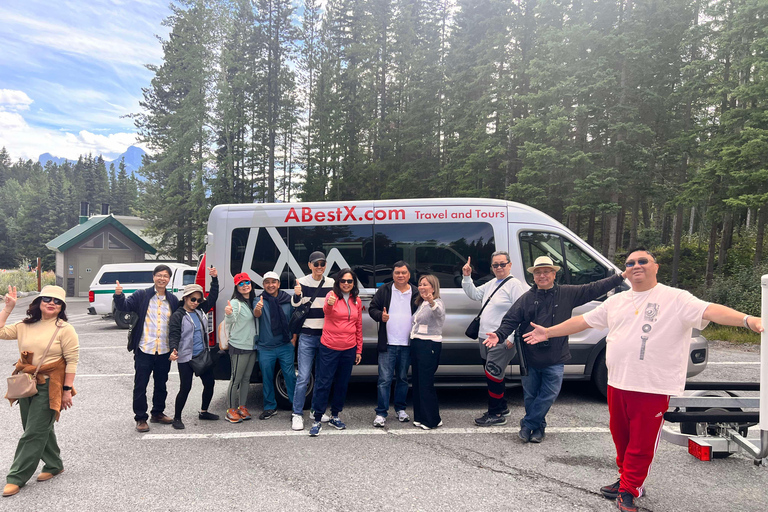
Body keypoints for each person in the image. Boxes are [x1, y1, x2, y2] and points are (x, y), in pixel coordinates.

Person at [523, 248, 764, 512]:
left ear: (655, 267)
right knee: (621, 437)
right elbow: (583, 321)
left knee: (641, 443)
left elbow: (710, 311)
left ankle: (630, 488)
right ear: (625, 270)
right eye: (630, 262)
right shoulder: (617, 301)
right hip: (617, 382)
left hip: (652, 385)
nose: (636, 265)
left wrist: (747, 320)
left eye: (642, 261)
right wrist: (548, 332)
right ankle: (626, 478)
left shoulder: (675, 298)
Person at [484, 255, 627, 441]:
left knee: (549, 394)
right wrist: (500, 335)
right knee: (530, 396)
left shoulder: (568, 293)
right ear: (533, 277)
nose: (542, 276)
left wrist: (620, 277)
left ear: (553, 274)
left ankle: (528, 424)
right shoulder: (526, 299)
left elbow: (594, 288)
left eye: (546, 272)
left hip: (556, 357)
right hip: (530, 357)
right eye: (538, 273)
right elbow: (511, 319)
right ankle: (538, 429)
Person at [1, 285, 79, 498]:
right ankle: (54, 464)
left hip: (51, 384)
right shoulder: (25, 325)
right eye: (47, 299)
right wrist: (8, 308)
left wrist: (66, 391)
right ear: (38, 302)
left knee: (33, 432)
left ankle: (16, 477)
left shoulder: (64, 329)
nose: (51, 303)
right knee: (36, 427)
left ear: (61, 306)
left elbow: (72, 362)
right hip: (26, 381)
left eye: (56, 301)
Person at [461, 251, 527, 427]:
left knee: (493, 375)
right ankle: (502, 406)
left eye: (502, 264)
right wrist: (467, 277)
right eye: (495, 265)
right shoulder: (493, 283)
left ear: (510, 265)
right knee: (494, 374)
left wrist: (511, 336)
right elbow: (474, 294)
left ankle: (496, 413)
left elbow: (520, 313)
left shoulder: (514, 285)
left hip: (501, 339)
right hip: (485, 337)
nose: (499, 267)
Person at [114, 264, 179, 432]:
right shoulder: (142, 295)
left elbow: (176, 325)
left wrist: (174, 347)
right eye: (159, 275)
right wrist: (119, 295)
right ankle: (141, 418)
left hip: (164, 350)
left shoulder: (172, 300)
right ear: (153, 277)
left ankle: (157, 412)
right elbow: (124, 307)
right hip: (144, 348)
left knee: (161, 384)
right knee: (140, 384)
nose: (162, 278)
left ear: (169, 279)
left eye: (165, 276)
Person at [308, 269, 363, 436]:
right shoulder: (331, 296)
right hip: (329, 347)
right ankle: (317, 418)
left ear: (354, 283)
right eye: (343, 281)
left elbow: (358, 326)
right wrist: (329, 304)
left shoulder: (357, 301)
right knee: (323, 383)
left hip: (349, 348)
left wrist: (358, 349)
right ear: (338, 282)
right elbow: (327, 313)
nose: (346, 284)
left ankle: (335, 415)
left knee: (342, 383)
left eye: (349, 281)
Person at [168, 266, 220, 429]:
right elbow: (174, 334)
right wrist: (173, 349)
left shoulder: (199, 311)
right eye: (193, 299)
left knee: (210, 384)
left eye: (198, 300)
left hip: (202, 355)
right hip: (186, 357)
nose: (196, 302)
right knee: (185, 388)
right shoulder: (178, 315)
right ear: (185, 298)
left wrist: (215, 280)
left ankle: (204, 412)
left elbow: (213, 298)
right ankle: (177, 418)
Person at [368, 261, 419, 427]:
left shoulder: (416, 292)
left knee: (403, 379)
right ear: (393, 274)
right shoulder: (385, 289)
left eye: (404, 272)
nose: (400, 275)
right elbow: (372, 308)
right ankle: (381, 413)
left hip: (407, 343)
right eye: (397, 272)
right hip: (388, 343)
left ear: (409, 275)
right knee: (384, 380)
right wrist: (379, 316)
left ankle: (400, 409)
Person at [290, 251, 335, 430]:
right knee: (303, 377)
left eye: (322, 263)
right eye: (315, 264)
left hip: (326, 336)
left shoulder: (331, 283)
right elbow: (296, 305)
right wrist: (297, 294)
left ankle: (316, 411)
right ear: (309, 265)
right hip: (308, 336)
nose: (319, 267)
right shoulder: (301, 281)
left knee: (322, 377)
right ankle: (297, 414)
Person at [254, 271, 296, 421]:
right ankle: (269, 407)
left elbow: (293, 320)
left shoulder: (287, 300)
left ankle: (295, 408)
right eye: (267, 282)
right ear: (263, 285)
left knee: (290, 376)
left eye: (273, 282)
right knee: (267, 377)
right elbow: (256, 314)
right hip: (265, 347)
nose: (270, 285)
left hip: (285, 345)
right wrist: (258, 308)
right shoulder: (259, 299)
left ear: (278, 284)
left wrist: (294, 339)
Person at [410, 274, 446, 430]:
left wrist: (431, 301)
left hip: (429, 345)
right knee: (417, 382)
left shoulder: (437, 303)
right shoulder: (421, 303)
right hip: (417, 344)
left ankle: (432, 420)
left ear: (433, 287)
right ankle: (420, 416)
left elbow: (439, 314)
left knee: (426, 383)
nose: (422, 287)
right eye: (420, 284)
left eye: (425, 284)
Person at [224, 272, 259, 424]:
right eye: (241, 284)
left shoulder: (251, 302)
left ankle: (242, 407)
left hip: (251, 346)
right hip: (239, 346)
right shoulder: (236, 303)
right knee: (236, 379)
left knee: (246, 379)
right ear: (237, 287)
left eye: (247, 282)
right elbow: (231, 320)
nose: (245, 286)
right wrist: (229, 314)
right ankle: (231, 409)